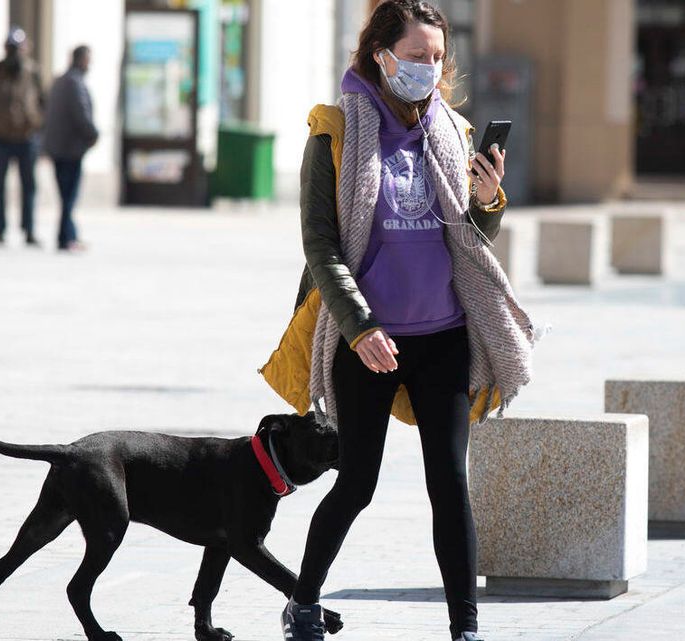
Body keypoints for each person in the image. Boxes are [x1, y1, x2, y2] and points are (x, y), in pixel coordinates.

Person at [259, 2, 537, 640]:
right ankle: (302, 603)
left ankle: (465, 629)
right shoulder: (332, 131)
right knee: (356, 482)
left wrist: (489, 199)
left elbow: (470, 236)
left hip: (443, 337)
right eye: (416, 57)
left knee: (449, 484)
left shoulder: (452, 131)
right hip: (366, 343)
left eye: (438, 58)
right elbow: (321, 244)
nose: (430, 70)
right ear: (380, 54)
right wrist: (359, 327)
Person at [0, 28, 45, 246]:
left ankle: (29, 229)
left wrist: (36, 122)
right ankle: (0, 228)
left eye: (18, 48)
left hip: (26, 137)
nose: (15, 53)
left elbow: (43, 101)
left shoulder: (33, 72)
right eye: (11, 48)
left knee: (29, 186)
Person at [44, 45, 98, 252]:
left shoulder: (60, 81)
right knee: (69, 196)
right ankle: (66, 237)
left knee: (65, 195)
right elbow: (81, 115)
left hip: (58, 147)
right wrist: (93, 134)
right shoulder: (74, 83)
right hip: (70, 149)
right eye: (88, 59)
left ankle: (68, 235)